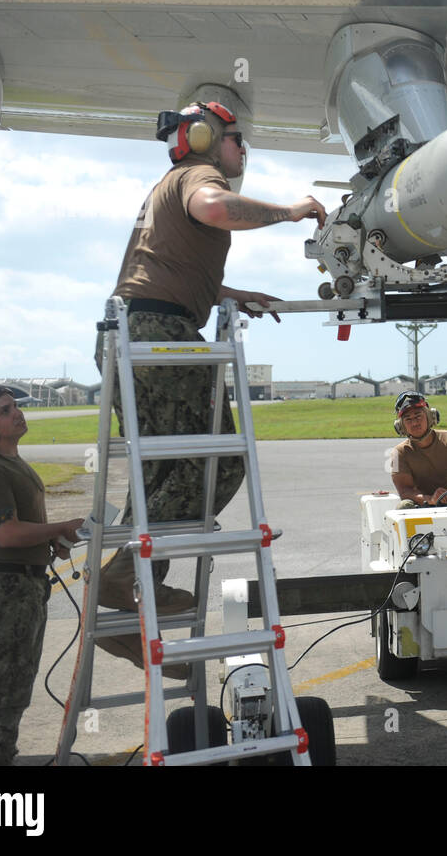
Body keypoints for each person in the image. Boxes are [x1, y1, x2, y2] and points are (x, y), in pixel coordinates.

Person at [97, 100, 325, 626]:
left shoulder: (166, 184)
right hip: (161, 334)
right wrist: (290, 212)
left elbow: (164, 270)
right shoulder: (198, 175)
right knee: (221, 463)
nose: (242, 148)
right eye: (234, 137)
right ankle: (129, 571)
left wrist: (227, 292)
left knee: (161, 470)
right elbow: (215, 209)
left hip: (134, 330)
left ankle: (130, 605)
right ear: (202, 137)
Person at [0, 377, 83, 765]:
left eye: (15, 406)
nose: (17, 414)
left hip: (23, 586)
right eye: (4, 411)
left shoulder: (11, 461)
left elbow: (21, 531)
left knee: (14, 690)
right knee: (0, 693)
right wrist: (58, 528)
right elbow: (6, 532)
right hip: (3, 588)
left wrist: (49, 543)